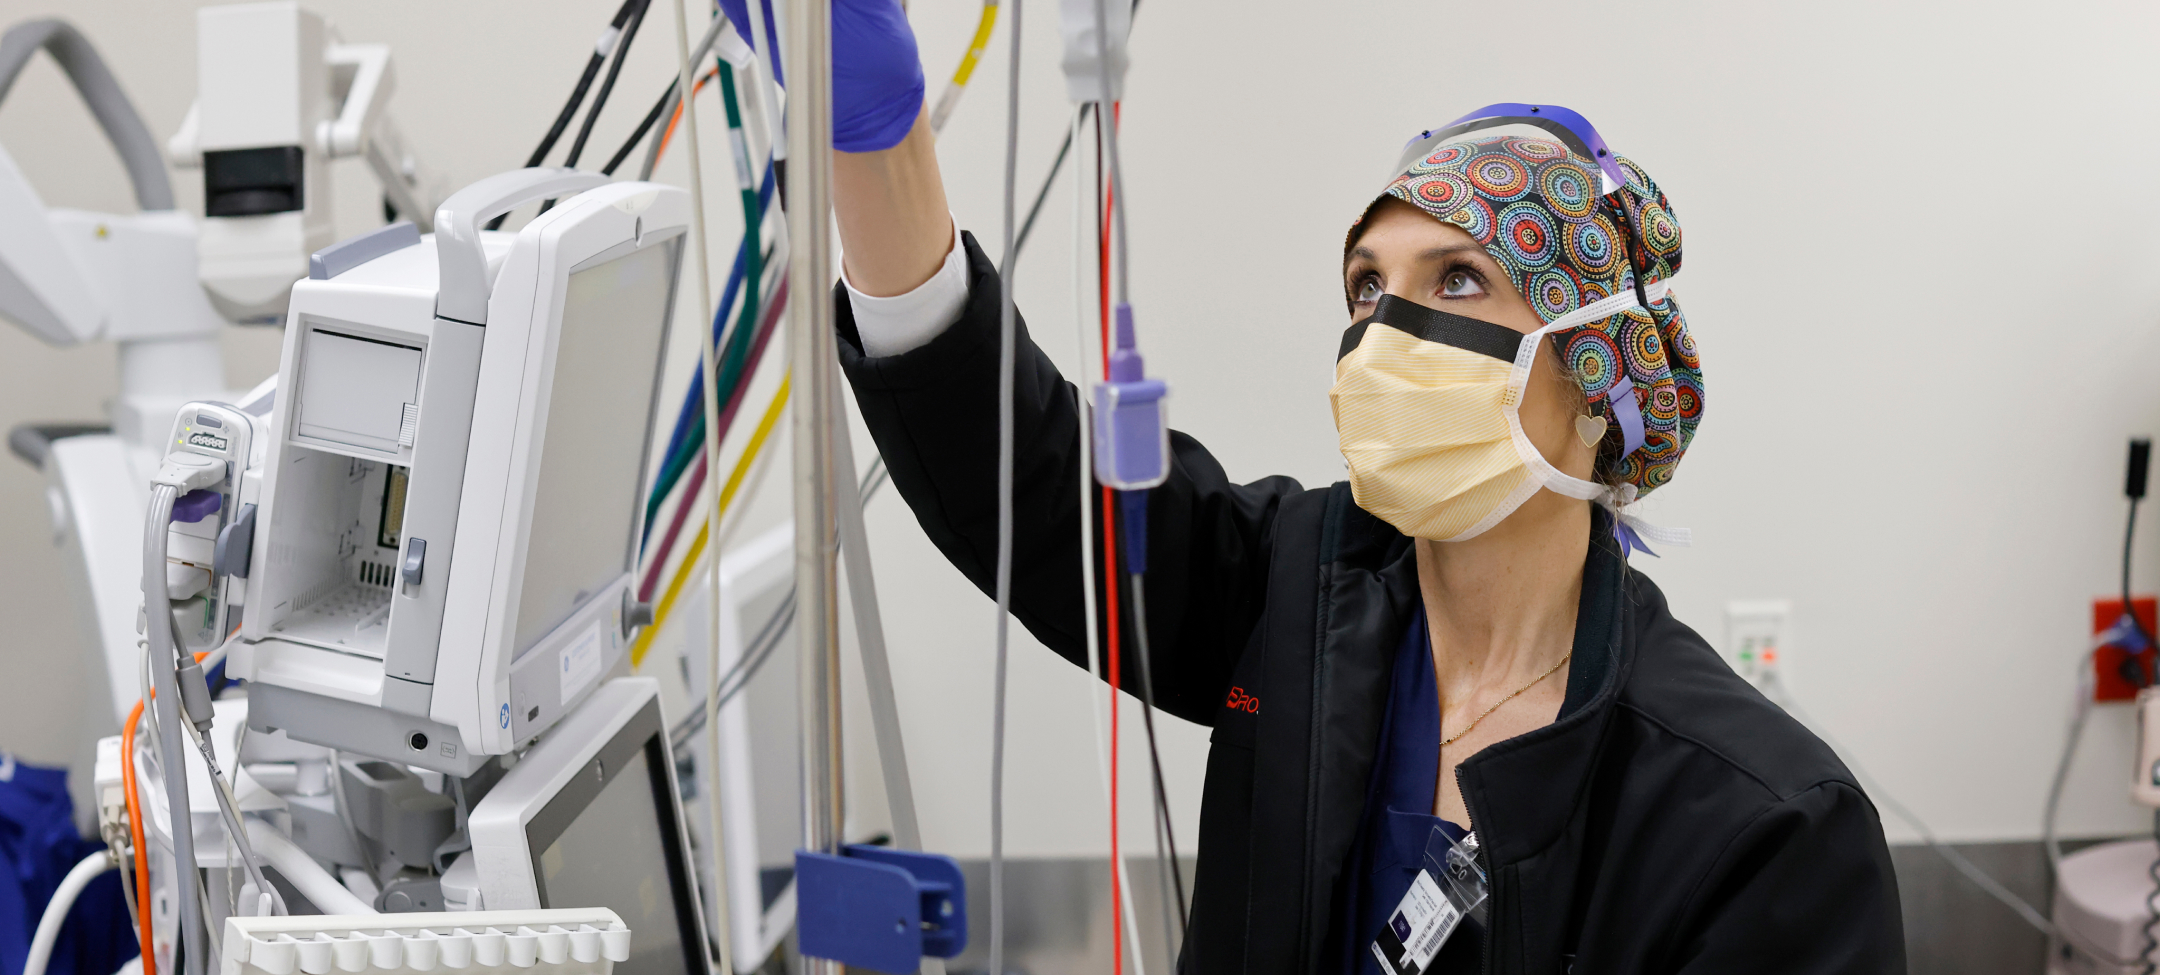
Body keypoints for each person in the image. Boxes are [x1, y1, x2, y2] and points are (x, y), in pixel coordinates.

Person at [744, 0, 1908, 970]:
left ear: (1598, 375)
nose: (1384, 334)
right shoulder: (1294, 593)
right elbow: (1032, 484)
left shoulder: (1761, 823)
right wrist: (877, 147)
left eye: (1457, 279)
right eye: (1365, 287)